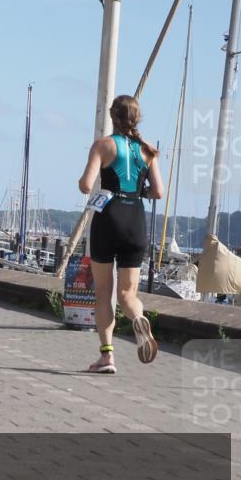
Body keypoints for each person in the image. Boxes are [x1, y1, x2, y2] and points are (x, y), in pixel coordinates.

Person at [77, 94, 164, 375]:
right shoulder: (148, 150)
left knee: (103, 292)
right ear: (136, 118)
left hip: (108, 218)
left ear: (113, 117)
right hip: (134, 221)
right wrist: (139, 191)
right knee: (128, 294)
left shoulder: (103, 145)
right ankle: (138, 317)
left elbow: (85, 184)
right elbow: (159, 193)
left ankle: (107, 356)